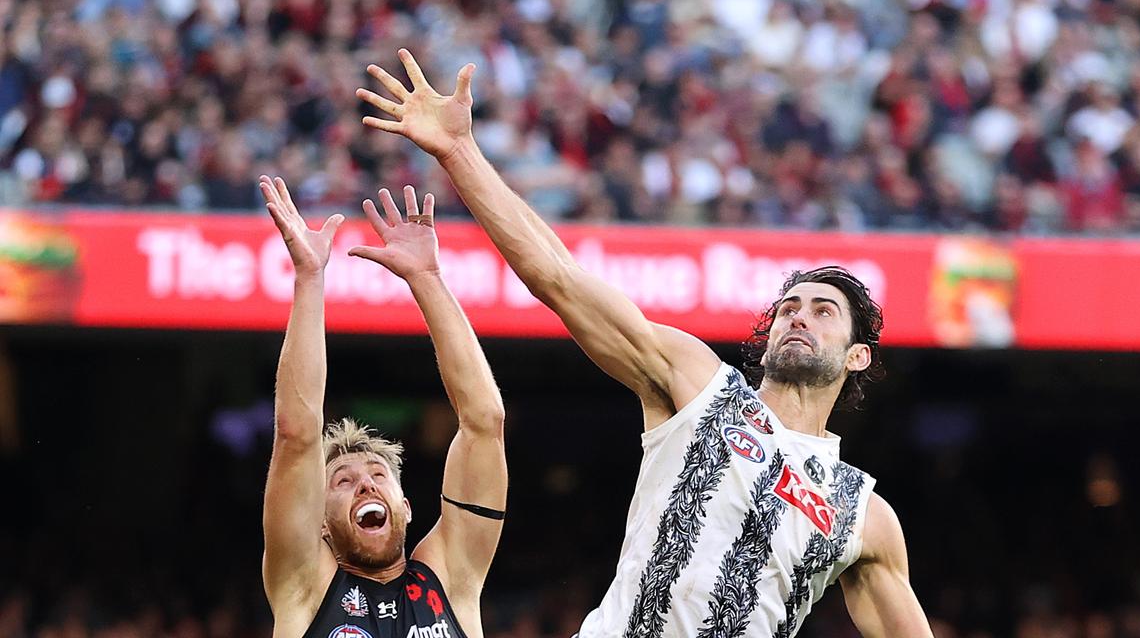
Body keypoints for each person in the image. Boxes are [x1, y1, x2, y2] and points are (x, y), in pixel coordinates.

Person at [357, 50, 933, 637]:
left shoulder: (862, 513)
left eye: (822, 311)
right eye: (789, 307)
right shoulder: (702, 390)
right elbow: (559, 278)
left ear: (857, 356)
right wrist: (460, 153)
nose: (798, 318)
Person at [259, 175, 507, 638]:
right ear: (322, 525)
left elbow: (483, 422)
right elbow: (297, 433)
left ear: (407, 507)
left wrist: (428, 279)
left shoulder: (450, 579)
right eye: (344, 481)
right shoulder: (304, 588)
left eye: (378, 476)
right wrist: (310, 279)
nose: (366, 487)